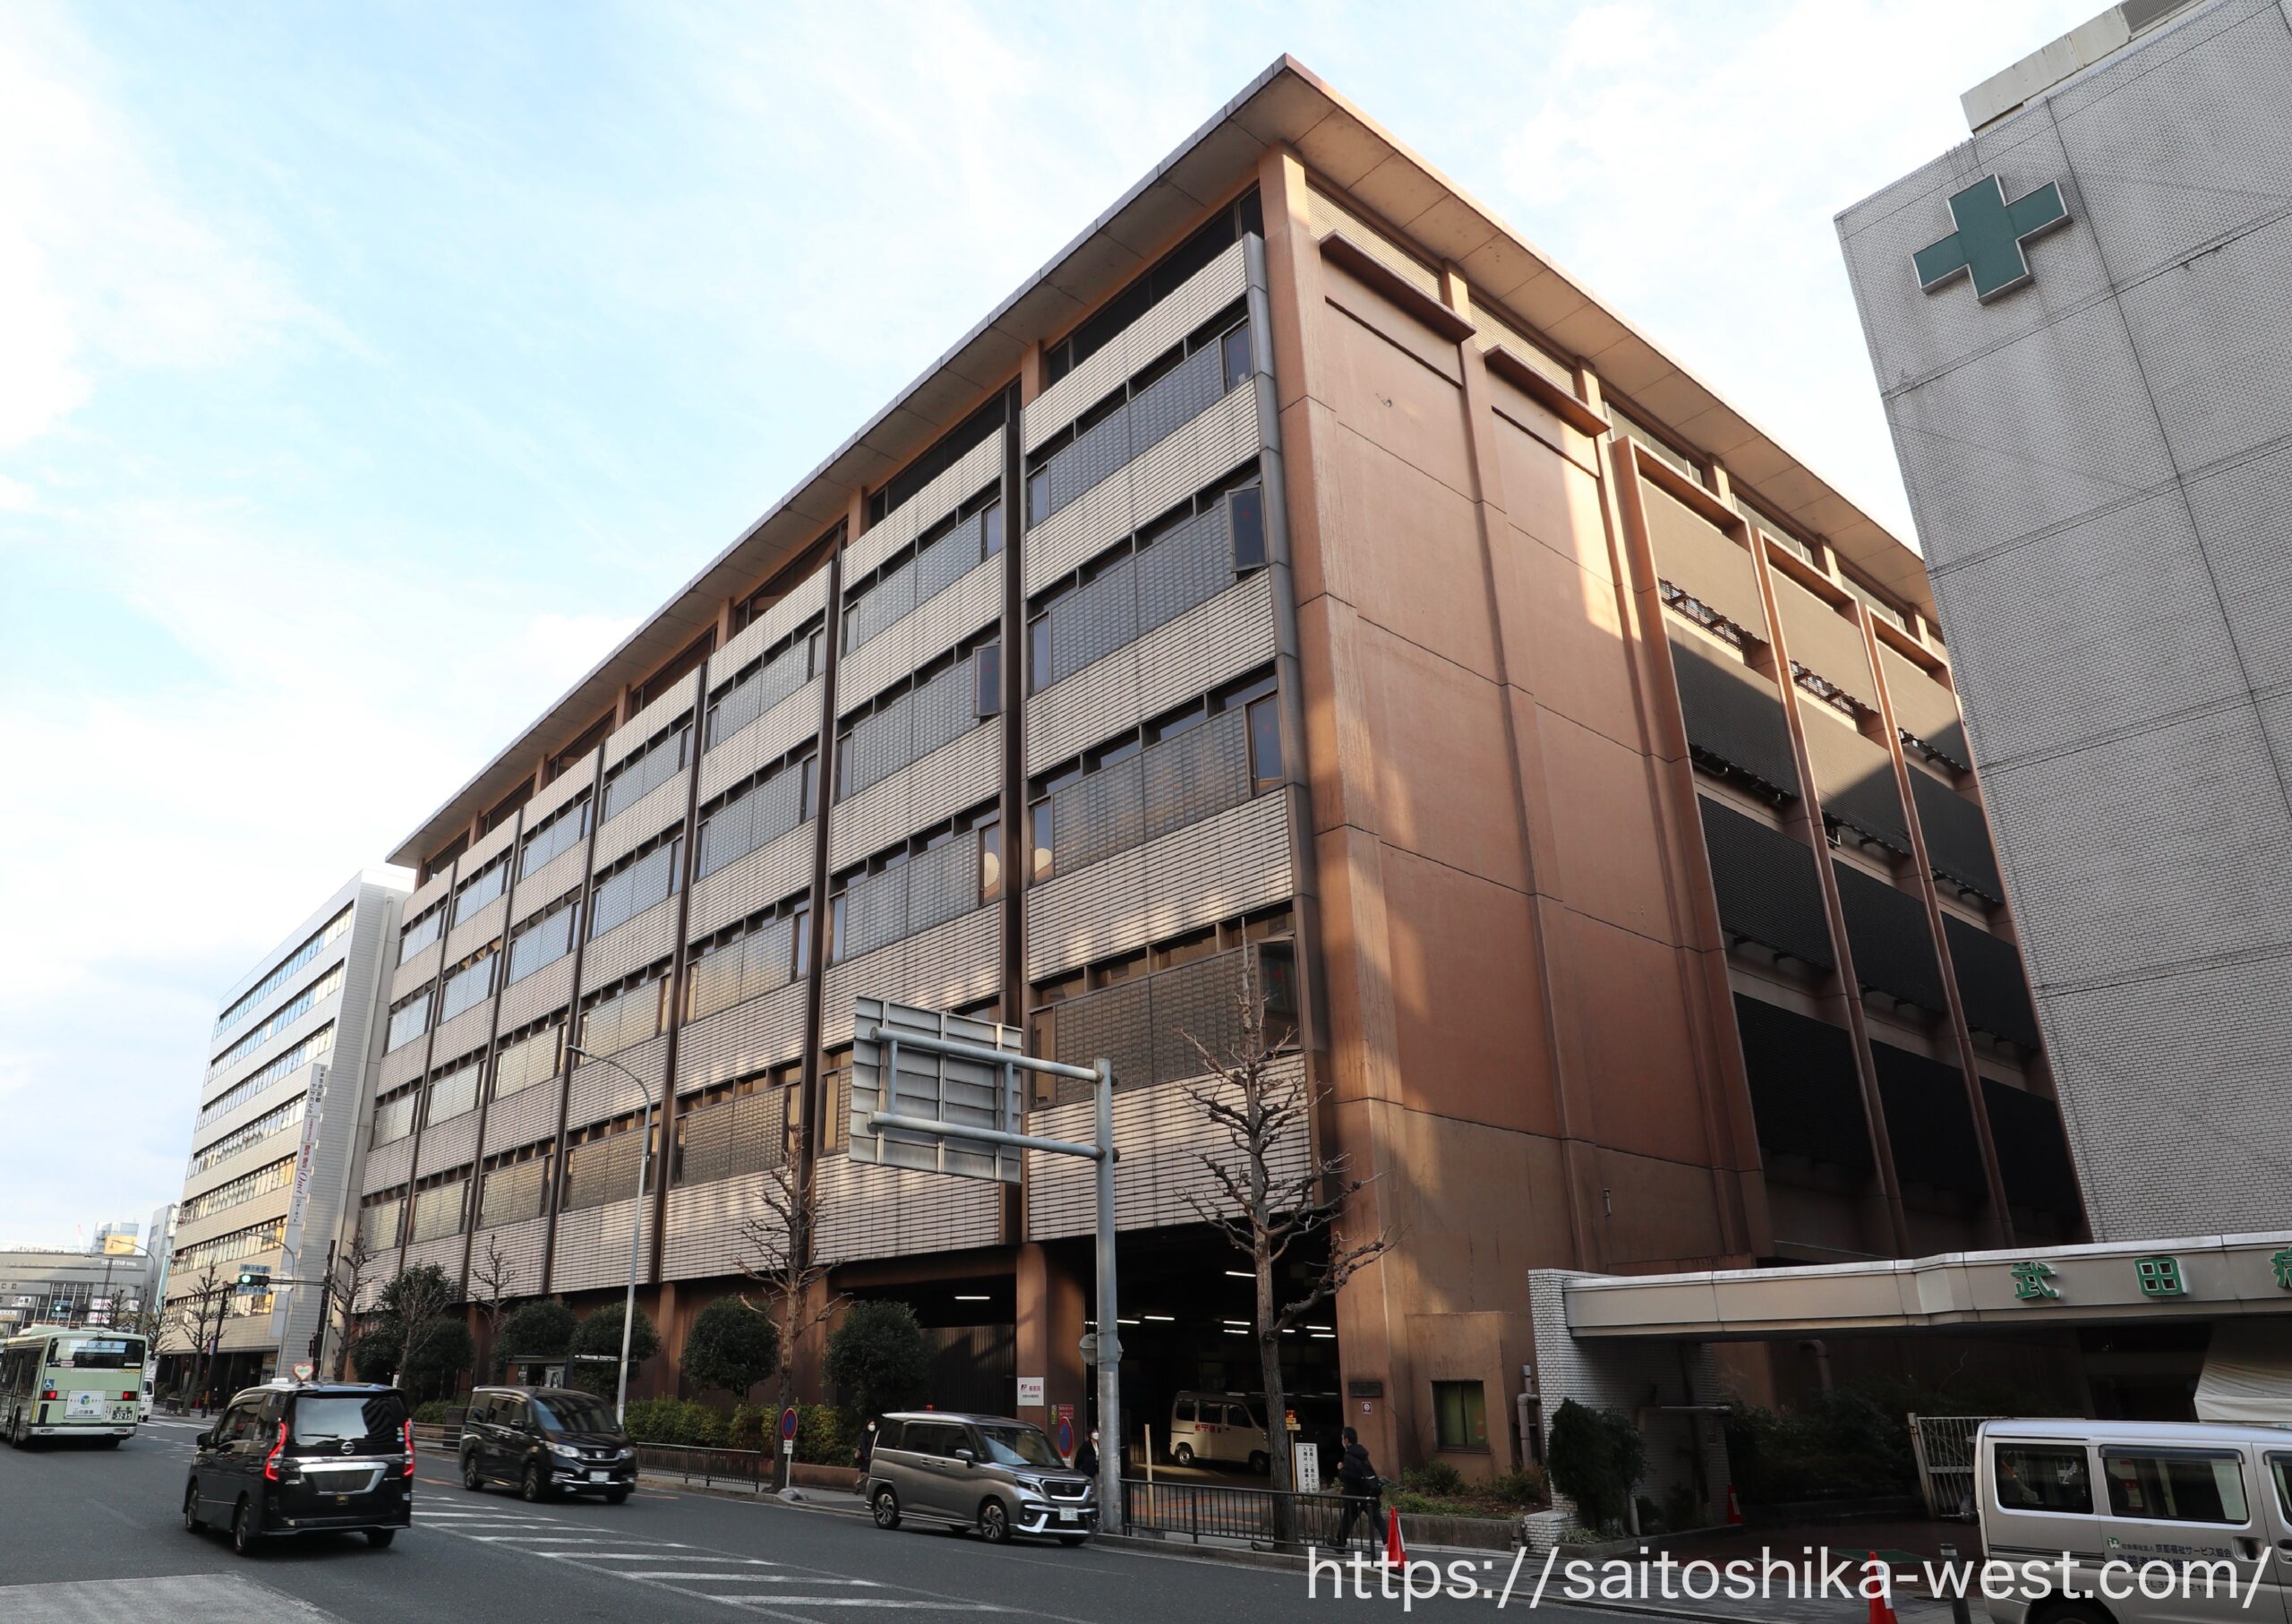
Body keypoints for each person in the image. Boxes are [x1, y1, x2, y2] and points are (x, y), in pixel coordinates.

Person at [1333, 1426, 1380, 1548]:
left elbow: (1351, 1476)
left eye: (1342, 1438)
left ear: (1346, 1440)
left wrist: (1341, 1469)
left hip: (1355, 1494)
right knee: (1376, 1519)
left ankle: (1340, 1543)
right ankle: (1340, 1542)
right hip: (1367, 1492)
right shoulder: (1361, 1453)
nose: (1342, 1441)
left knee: (1350, 1518)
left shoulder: (1349, 1455)